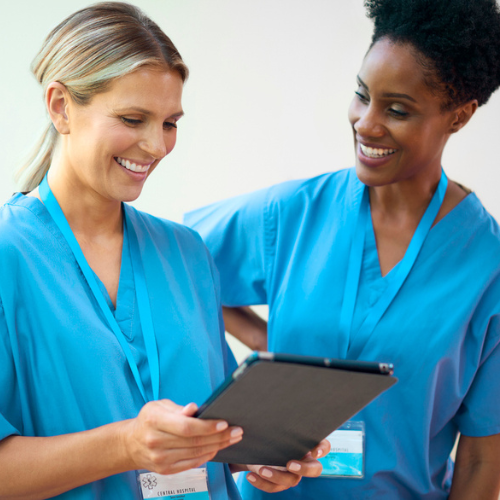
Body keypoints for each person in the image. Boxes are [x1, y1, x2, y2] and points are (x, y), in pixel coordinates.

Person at [0, 3, 329, 499]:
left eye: (170, 123)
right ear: (60, 106)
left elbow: (205, 429)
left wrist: (260, 448)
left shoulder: (187, 253)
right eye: (134, 119)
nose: (155, 146)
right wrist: (126, 446)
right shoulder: (10, 257)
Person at [184, 0, 500, 498]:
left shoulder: (487, 267)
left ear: (458, 117)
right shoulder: (293, 212)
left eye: (397, 110)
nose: (366, 123)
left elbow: (483, 455)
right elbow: (174, 266)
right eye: (361, 95)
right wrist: (274, 351)